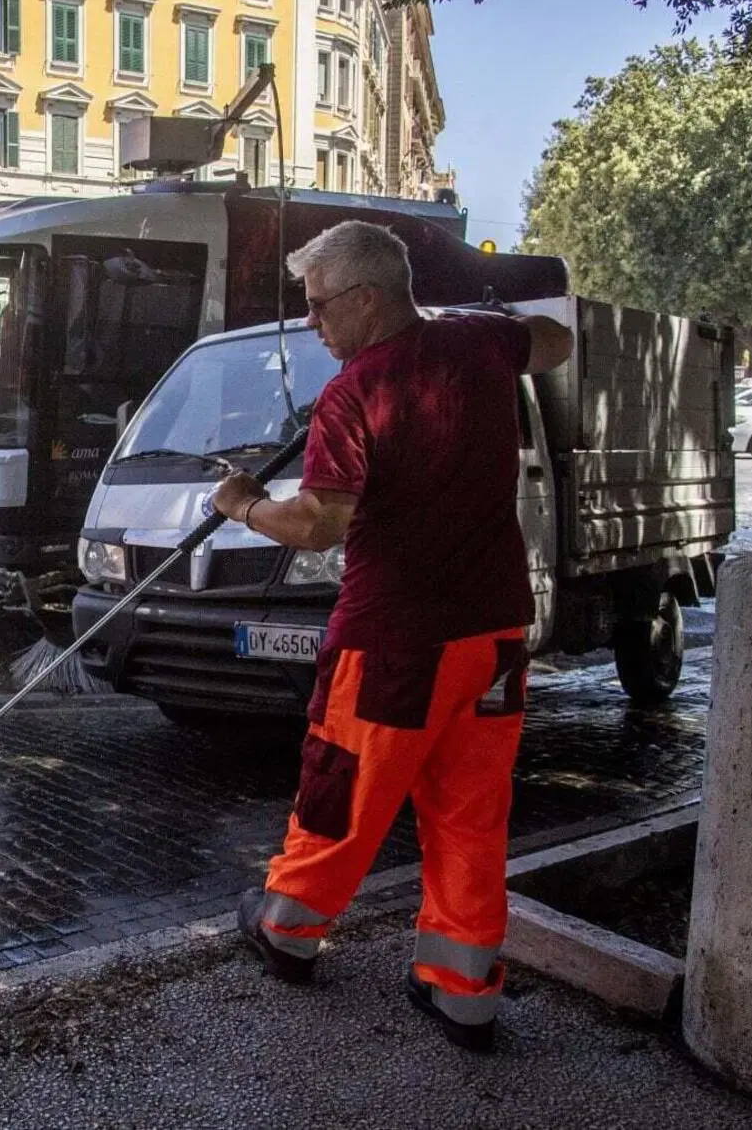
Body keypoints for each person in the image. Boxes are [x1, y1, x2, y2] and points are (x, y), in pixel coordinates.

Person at [212, 220, 574, 1052]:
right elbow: (551, 339)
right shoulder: (482, 343)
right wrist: (475, 322)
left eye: (320, 306)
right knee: (472, 812)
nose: (312, 323)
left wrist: (239, 505)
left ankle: (288, 932)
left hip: (394, 644)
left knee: (342, 789)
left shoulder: (356, 391)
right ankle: (464, 990)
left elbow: (317, 523)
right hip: (492, 635)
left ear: (369, 299)